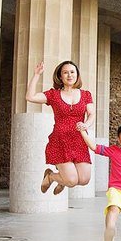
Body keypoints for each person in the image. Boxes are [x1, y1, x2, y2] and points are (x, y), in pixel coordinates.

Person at [25, 60, 94, 196]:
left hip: (79, 140)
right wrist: (36, 75)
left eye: (72, 72)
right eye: (65, 72)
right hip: (60, 141)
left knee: (84, 179)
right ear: (60, 76)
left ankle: (61, 180)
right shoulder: (53, 95)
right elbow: (30, 97)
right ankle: (51, 176)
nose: (69, 75)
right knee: (72, 180)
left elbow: (91, 114)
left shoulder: (86, 94)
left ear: (77, 75)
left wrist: (85, 124)